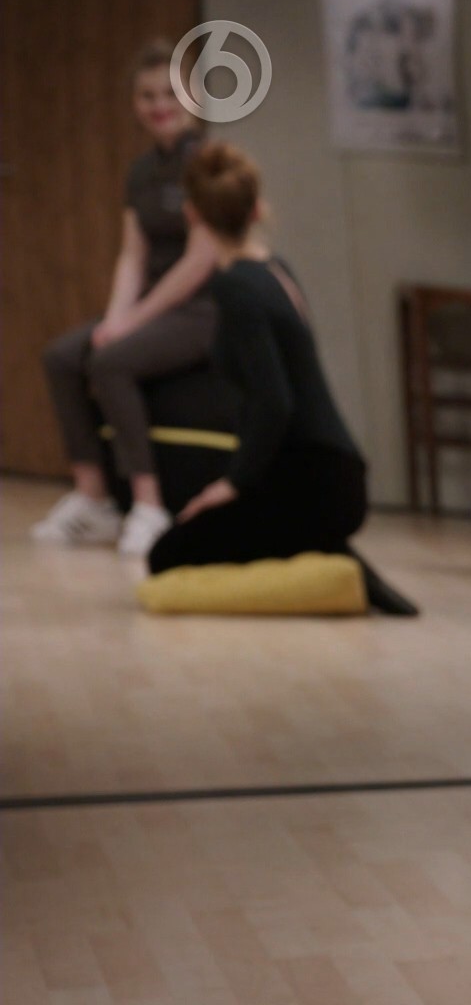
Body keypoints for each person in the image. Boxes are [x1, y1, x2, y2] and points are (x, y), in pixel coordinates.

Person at [144, 140, 416, 617]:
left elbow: (275, 402)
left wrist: (233, 485)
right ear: (257, 209)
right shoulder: (275, 269)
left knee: (165, 555)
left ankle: (332, 555)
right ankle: (329, 549)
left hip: (313, 484)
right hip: (338, 475)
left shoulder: (234, 286)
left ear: (192, 215)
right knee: (209, 521)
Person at [34, 38, 223, 557]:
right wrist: (116, 318)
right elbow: (133, 257)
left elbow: (200, 260)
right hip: (152, 309)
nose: (160, 105)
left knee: (111, 361)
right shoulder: (139, 172)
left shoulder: (208, 162)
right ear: (135, 104)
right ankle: (93, 498)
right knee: (62, 356)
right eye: (147, 95)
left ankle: (148, 505)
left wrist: (131, 322)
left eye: (171, 93)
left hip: (203, 308)